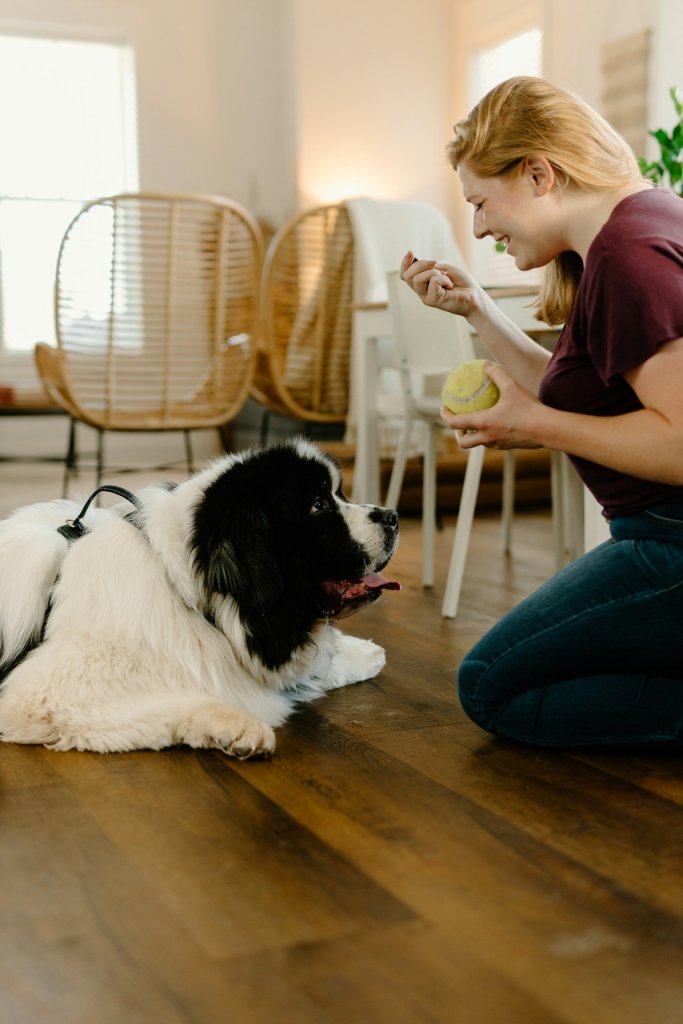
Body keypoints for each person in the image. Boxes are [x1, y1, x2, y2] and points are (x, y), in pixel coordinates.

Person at [401, 75, 683, 752]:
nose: (477, 226)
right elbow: (575, 389)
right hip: (659, 534)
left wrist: (532, 426)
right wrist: (476, 307)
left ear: (536, 174)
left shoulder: (627, 258)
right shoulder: (635, 225)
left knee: (491, 685)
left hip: (668, 544)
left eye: (479, 203)